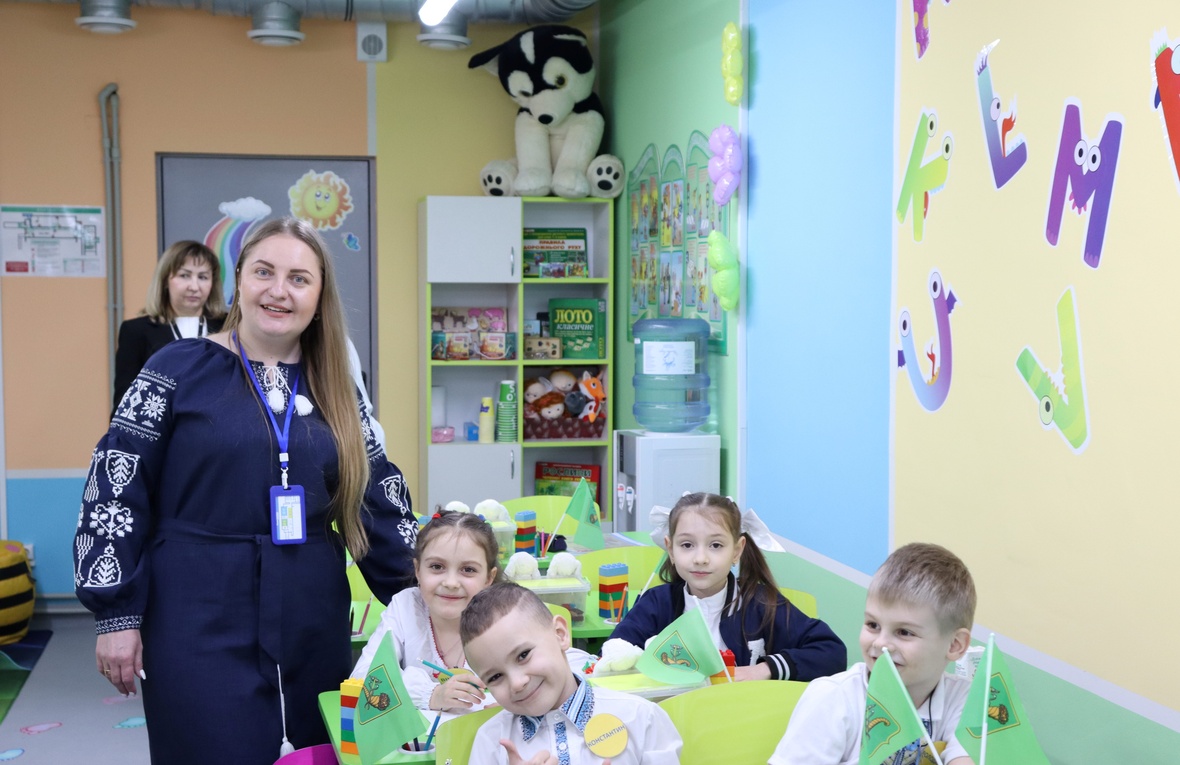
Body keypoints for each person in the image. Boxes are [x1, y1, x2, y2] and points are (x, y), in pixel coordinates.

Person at [74, 217, 418, 765]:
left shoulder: (336, 383)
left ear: (319, 294)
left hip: (312, 617)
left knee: (315, 751)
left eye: (299, 278)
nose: (279, 290)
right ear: (239, 280)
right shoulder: (174, 369)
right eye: (264, 272)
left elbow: (375, 499)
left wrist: (437, 591)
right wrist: (116, 614)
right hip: (195, 612)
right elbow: (115, 488)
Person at [351, 511, 595, 719]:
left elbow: (575, 663)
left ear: (489, 578)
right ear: (417, 569)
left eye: (468, 570)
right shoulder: (406, 607)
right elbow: (362, 680)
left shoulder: (506, 612)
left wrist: (519, 697)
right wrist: (431, 694)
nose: (450, 582)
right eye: (436, 567)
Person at [768, 542, 977, 765]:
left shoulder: (965, 699)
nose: (881, 643)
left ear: (955, 645)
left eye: (904, 632)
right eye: (873, 625)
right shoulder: (833, 699)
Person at [607, 492, 846, 681]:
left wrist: (763, 670)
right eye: (687, 545)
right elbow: (614, 654)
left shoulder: (762, 604)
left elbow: (832, 652)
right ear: (670, 549)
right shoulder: (657, 603)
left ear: (737, 550)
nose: (700, 558)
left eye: (716, 545)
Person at [461, 582, 682, 765]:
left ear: (560, 634)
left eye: (523, 655)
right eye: (495, 677)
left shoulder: (641, 718)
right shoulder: (491, 742)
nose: (517, 683)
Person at [112, 240, 227, 409]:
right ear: (166, 280)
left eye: (203, 277)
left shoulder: (229, 325)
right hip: (163, 430)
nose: (194, 287)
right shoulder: (136, 331)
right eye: (184, 275)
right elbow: (125, 401)